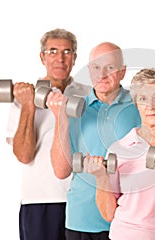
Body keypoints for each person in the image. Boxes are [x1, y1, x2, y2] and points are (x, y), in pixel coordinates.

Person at [48, 42, 141, 239]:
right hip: (81, 220)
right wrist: (60, 118)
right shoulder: (75, 110)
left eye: (110, 67)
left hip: (126, 221)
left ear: (123, 72)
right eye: (96, 67)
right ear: (89, 71)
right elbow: (60, 171)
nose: (102, 74)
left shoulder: (140, 107)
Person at [84, 68, 155, 239]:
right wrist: (100, 177)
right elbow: (108, 214)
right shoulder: (119, 149)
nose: (151, 106)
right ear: (136, 103)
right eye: (143, 99)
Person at [6, 28, 88, 240]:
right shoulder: (23, 97)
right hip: (40, 200)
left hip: (83, 200)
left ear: (75, 57)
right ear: (42, 57)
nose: (60, 58)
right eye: (52, 51)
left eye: (67, 52)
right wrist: (28, 106)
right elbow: (24, 156)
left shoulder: (88, 95)